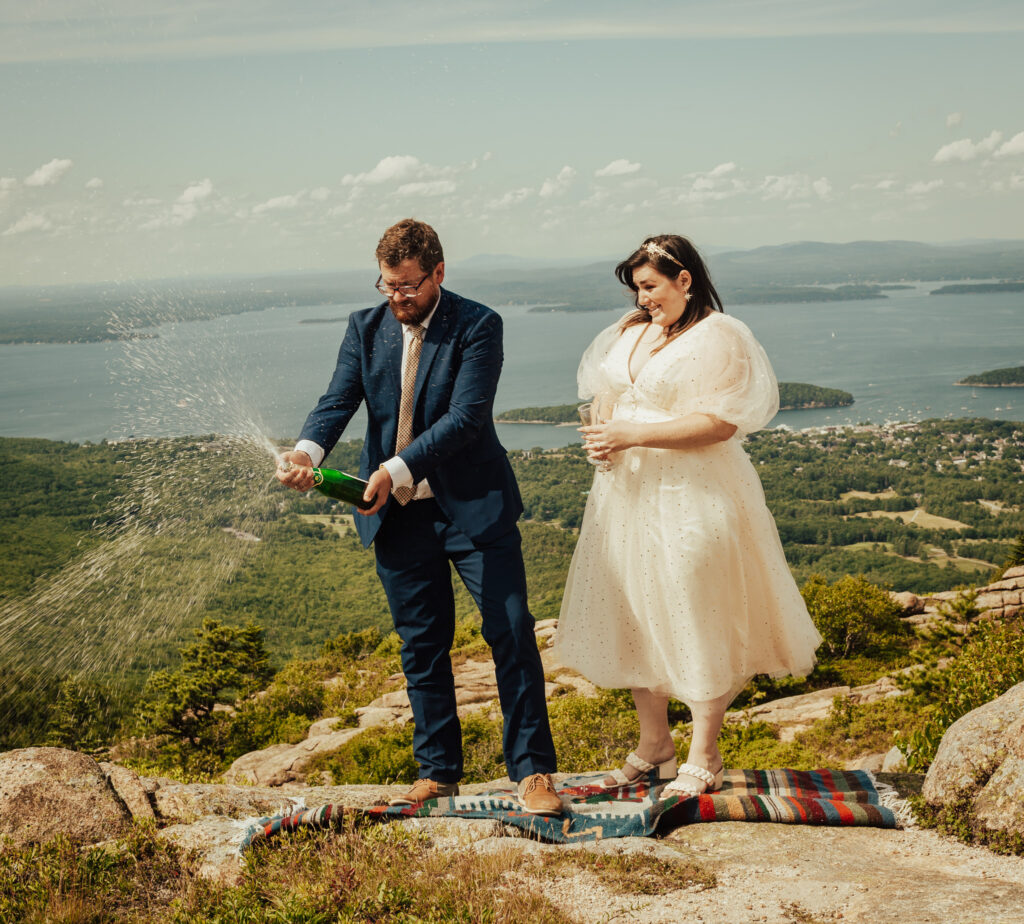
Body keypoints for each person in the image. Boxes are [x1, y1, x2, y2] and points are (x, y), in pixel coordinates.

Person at [276, 219, 561, 815]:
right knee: (421, 645)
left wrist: (394, 468)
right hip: (396, 519)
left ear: (437, 273)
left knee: (510, 631)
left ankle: (533, 775)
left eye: (408, 286)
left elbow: (466, 418)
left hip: (474, 511)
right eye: (387, 286)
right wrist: (305, 454)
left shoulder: (479, 325)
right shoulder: (365, 327)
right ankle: (438, 772)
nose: (397, 298)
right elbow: (336, 403)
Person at [553, 234, 821, 798]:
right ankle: (655, 746)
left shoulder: (719, 336)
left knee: (696, 609)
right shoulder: (631, 331)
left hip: (693, 491)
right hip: (626, 494)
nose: (642, 298)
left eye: (650, 286)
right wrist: (605, 434)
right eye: (636, 288)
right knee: (637, 612)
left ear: (685, 279)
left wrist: (634, 434)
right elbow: (608, 397)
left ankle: (706, 750)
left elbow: (722, 423)